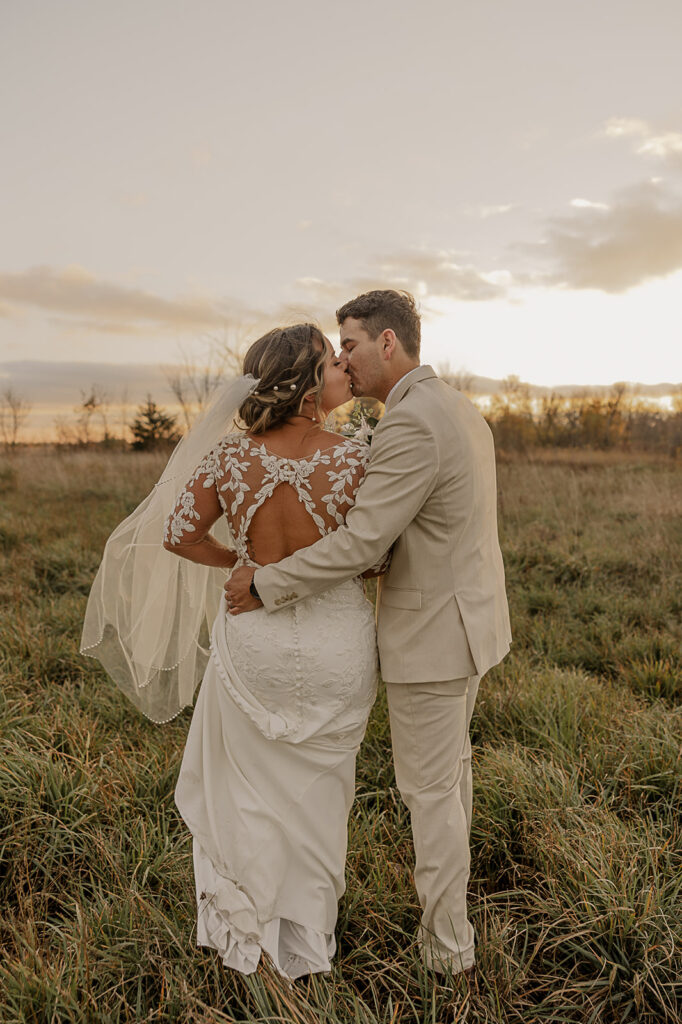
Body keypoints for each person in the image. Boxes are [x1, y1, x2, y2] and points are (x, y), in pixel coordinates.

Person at [81, 323, 387, 980]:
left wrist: (241, 563)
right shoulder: (357, 457)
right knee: (320, 792)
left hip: (254, 642)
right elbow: (374, 555)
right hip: (337, 645)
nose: (341, 366)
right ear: (310, 387)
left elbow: (178, 534)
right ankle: (306, 943)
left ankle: (243, 934)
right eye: (329, 361)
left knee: (246, 792)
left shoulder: (227, 457)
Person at [225, 290, 512, 976]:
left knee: (430, 795)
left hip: (434, 638)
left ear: (389, 344)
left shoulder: (411, 424)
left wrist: (266, 582)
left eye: (349, 344)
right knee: (450, 783)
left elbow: (360, 543)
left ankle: (448, 954)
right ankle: (451, 936)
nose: (343, 360)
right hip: (470, 623)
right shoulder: (456, 406)